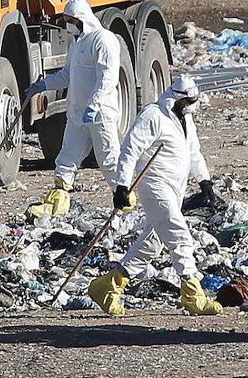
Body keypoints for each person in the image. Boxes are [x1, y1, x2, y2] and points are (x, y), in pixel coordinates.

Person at [88, 75, 223, 316]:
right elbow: (130, 150)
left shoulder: (185, 118)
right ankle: (193, 295)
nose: (194, 105)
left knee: (152, 243)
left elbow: (193, 151)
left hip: (175, 188)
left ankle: (107, 286)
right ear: (179, 99)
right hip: (154, 186)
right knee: (180, 236)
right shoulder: (153, 116)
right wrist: (122, 186)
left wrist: (205, 182)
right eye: (191, 101)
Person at [24, 0, 123, 219]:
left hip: (99, 115)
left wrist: (94, 106)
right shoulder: (76, 43)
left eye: (71, 20)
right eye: (66, 20)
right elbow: (67, 74)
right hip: (78, 115)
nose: (69, 25)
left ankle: (126, 203)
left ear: (82, 18)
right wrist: (43, 85)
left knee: (109, 162)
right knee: (66, 160)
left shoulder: (103, 40)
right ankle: (56, 206)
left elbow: (107, 79)